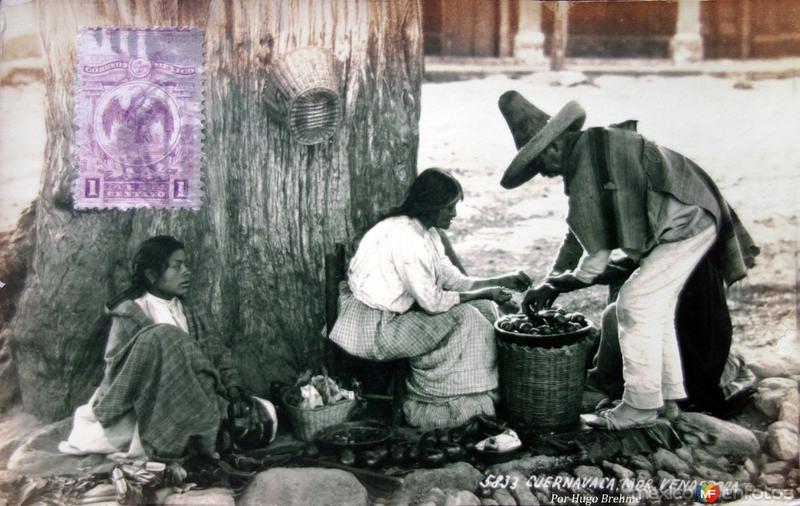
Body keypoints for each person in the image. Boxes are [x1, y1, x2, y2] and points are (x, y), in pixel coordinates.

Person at [497, 91, 758, 430]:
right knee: (654, 308)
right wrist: (554, 280)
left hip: (689, 222)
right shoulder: (593, 148)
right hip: (694, 216)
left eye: (539, 165)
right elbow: (579, 231)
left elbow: (596, 253)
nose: (543, 174)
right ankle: (666, 401)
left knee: (634, 304)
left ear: (554, 147)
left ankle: (639, 407)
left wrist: (564, 282)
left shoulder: (586, 162)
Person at [329, 168, 531, 430]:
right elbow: (433, 303)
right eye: (449, 207)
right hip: (375, 327)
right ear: (430, 205)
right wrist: (486, 291)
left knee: (485, 308)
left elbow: (455, 282)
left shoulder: (428, 233)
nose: (454, 214)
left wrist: (501, 280)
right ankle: (439, 402)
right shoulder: (405, 238)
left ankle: (483, 392)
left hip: (398, 314)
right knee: (468, 317)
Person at [60, 235, 267, 459]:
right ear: (151, 275)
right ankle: (199, 427)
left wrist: (234, 389)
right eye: (177, 266)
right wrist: (164, 349)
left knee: (267, 413)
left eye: (186, 264)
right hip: (149, 402)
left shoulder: (193, 310)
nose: (186, 271)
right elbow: (119, 372)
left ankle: (208, 421)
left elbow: (218, 354)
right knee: (163, 335)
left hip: (197, 393)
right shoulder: (130, 315)